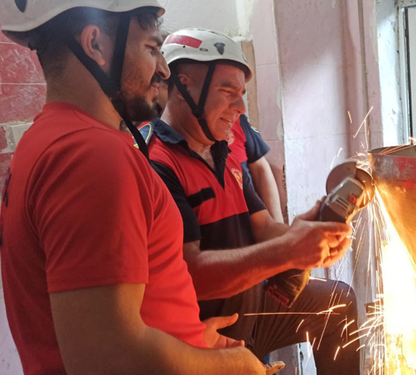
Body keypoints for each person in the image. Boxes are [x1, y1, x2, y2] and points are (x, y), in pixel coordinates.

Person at [0, 1, 265, 374]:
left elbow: (111, 316)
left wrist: (187, 338)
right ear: (95, 44)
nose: (163, 69)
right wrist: (231, 366)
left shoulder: (46, 141)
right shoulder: (92, 156)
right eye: (152, 48)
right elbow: (109, 358)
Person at [146, 28, 361, 375]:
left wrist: (303, 230)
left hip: (252, 307)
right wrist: (289, 251)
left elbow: (262, 227)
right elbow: (192, 274)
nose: (240, 107)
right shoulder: (158, 164)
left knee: (338, 304)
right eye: (227, 92)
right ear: (183, 88)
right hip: (203, 332)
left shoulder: (226, 150)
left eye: (241, 94)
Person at [229, 115, 285, 223]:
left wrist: (277, 224)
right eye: (228, 96)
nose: (240, 107)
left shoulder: (238, 120)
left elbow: (260, 169)